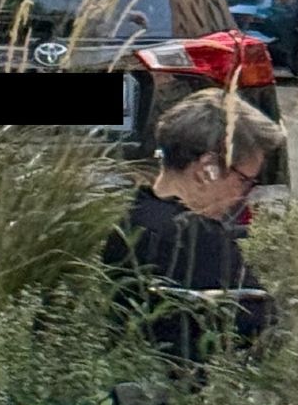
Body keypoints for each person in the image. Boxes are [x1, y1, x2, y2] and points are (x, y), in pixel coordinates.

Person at [107, 90, 284, 362]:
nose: (243, 196)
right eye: (244, 181)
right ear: (207, 169)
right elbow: (265, 330)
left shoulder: (130, 217)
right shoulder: (197, 241)